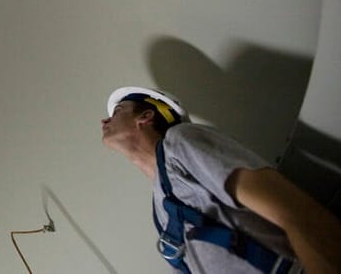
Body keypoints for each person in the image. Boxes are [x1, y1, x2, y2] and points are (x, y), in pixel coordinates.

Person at [101, 86, 341, 274]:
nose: (104, 121)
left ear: (145, 116)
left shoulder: (180, 142)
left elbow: (295, 213)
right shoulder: (159, 210)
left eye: (118, 110)